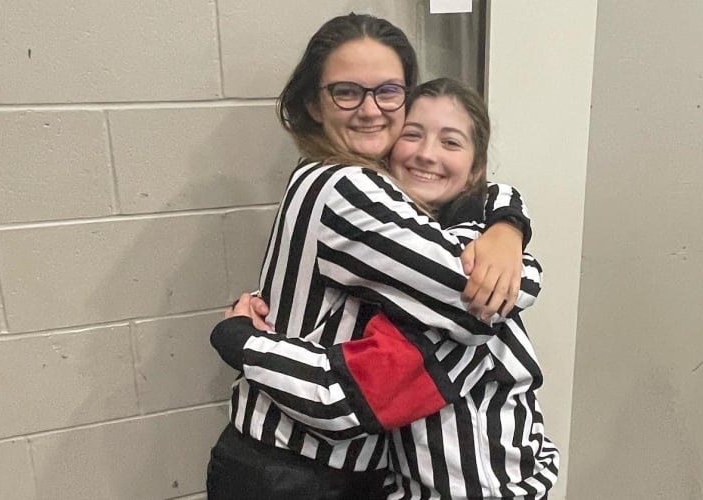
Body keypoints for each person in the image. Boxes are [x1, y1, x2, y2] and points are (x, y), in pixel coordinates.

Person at [206, 13, 548, 500]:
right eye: (346, 91)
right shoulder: (347, 187)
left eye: (388, 91)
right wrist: (520, 256)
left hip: (320, 470)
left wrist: (507, 224)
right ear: (313, 104)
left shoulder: (354, 183)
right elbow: (482, 302)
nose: (370, 110)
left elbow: (476, 206)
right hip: (297, 475)